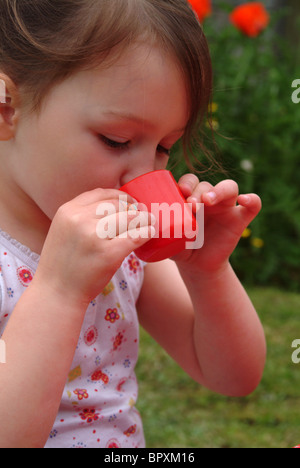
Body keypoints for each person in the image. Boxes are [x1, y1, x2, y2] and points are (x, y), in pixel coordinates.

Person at [0, 0, 266, 448]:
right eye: (117, 140)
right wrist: (59, 292)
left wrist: (207, 273)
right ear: (7, 108)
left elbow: (233, 376)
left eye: (164, 147)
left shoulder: (122, 248)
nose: (144, 174)